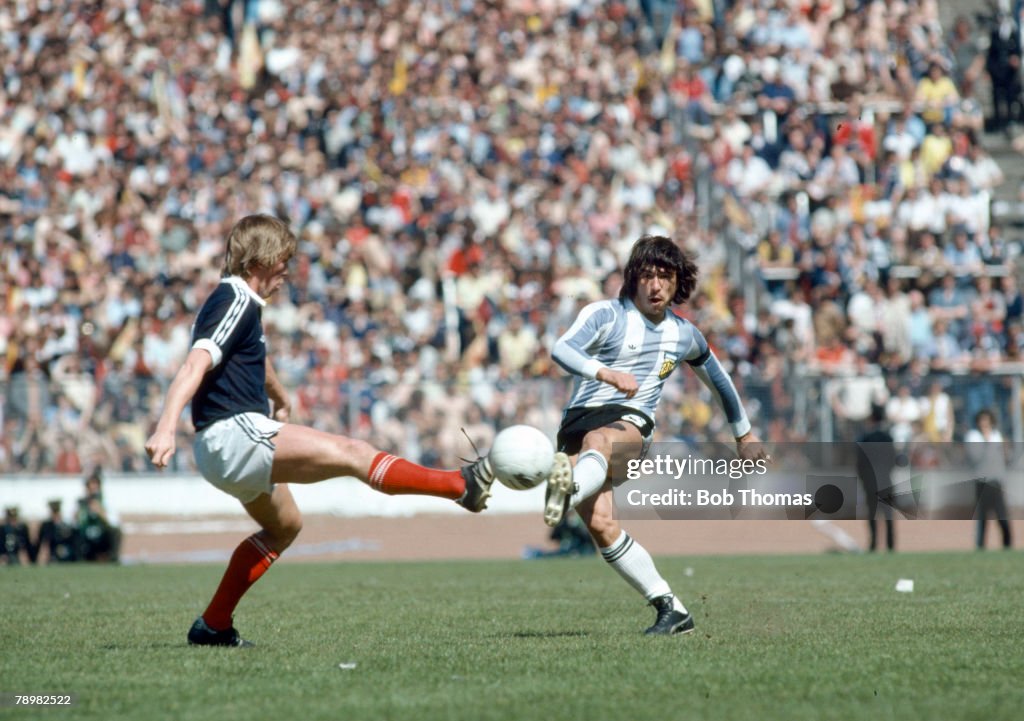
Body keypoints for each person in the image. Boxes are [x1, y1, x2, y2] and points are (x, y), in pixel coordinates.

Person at [144, 214, 500, 648]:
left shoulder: (244, 306)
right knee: (352, 452)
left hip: (223, 446)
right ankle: (459, 484)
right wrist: (166, 426)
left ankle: (213, 626)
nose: (288, 271)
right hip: (232, 435)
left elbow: (253, 357)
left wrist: (279, 394)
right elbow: (196, 363)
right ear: (263, 258)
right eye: (284, 260)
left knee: (284, 527)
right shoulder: (234, 298)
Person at [543, 235, 767, 635]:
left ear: (678, 281)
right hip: (575, 425)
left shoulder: (684, 335)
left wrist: (744, 435)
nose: (656, 285)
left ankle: (566, 490)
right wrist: (605, 372)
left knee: (600, 441)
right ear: (633, 279)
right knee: (602, 526)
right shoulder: (605, 315)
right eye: (647, 275)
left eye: (665, 276)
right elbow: (562, 349)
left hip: (629, 424)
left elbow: (719, 380)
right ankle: (672, 609)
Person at [965, 409, 1012, 550]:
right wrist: (986, 441)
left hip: (996, 481)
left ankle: (1007, 545)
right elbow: (976, 458)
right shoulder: (973, 437)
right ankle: (980, 546)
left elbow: (1003, 459)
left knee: (1002, 515)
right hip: (982, 482)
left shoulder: (996, 435)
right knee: (982, 517)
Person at [856, 404, 896, 552]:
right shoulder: (888, 438)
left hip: (871, 482)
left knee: (872, 515)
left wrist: (864, 480)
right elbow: (893, 460)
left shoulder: (865, 439)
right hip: (886, 480)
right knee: (888, 515)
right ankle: (891, 545)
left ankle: (873, 544)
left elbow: (860, 464)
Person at [76, 470, 122, 563]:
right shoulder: (81, 503)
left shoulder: (106, 502)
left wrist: (101, 512)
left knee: (116, 532)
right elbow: (74, 522)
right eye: (90, 488)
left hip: (101, 534)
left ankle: (113, 558)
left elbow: (114, 522)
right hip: (86, 534)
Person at [34, 499, 79, 564]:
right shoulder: (47, 526)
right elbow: (44, 543)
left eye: (56, 512)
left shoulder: (66, 525)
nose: (55, 514)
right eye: (54, 512)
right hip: (52, 556)